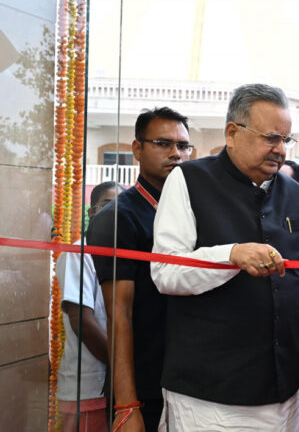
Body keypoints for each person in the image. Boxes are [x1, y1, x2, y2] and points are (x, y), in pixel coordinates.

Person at [150, 83, 299, 431]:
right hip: (209, 398)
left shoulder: (297, 195)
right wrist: (231, 256)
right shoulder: (188, 180)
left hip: (288, 394)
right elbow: (165, 273)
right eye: (272, 138)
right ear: (232, 133)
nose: (280, 150)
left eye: (286, 140)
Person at [88, 107, 191, 431]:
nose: (176, 153)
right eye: (163, 143)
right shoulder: (118, 218)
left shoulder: (191, 211)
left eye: (183, 146)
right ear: (137, 149)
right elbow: (119, 313)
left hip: (192, 383)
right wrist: (127, 404)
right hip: (144, 387)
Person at [57, 181, 122, 432]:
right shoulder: (78, 253)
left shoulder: (123, 255)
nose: (114, 211)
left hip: (116, 390)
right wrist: (124, 366)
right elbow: (81, 320)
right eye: (107, 204)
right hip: (88, 389)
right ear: (91, 212)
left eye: (120, 205)